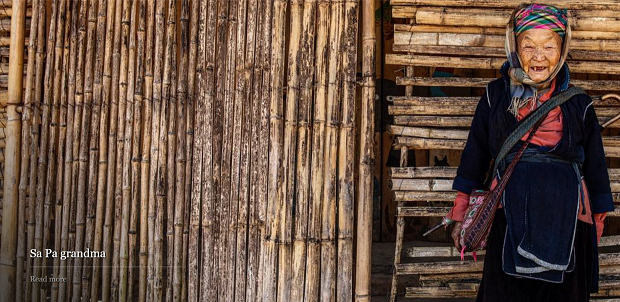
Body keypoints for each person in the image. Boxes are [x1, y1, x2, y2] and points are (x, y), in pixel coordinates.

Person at [446, 3, 615, 302]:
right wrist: (461, 213)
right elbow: (474, 157)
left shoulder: (579, 104)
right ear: (515, 47)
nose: (539, 56)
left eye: (549, 46)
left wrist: (595, 224)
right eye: (529, 45)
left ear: (562, 49)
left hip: (568, 222)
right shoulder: (494, 97)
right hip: (507, 218)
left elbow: (596, 170)